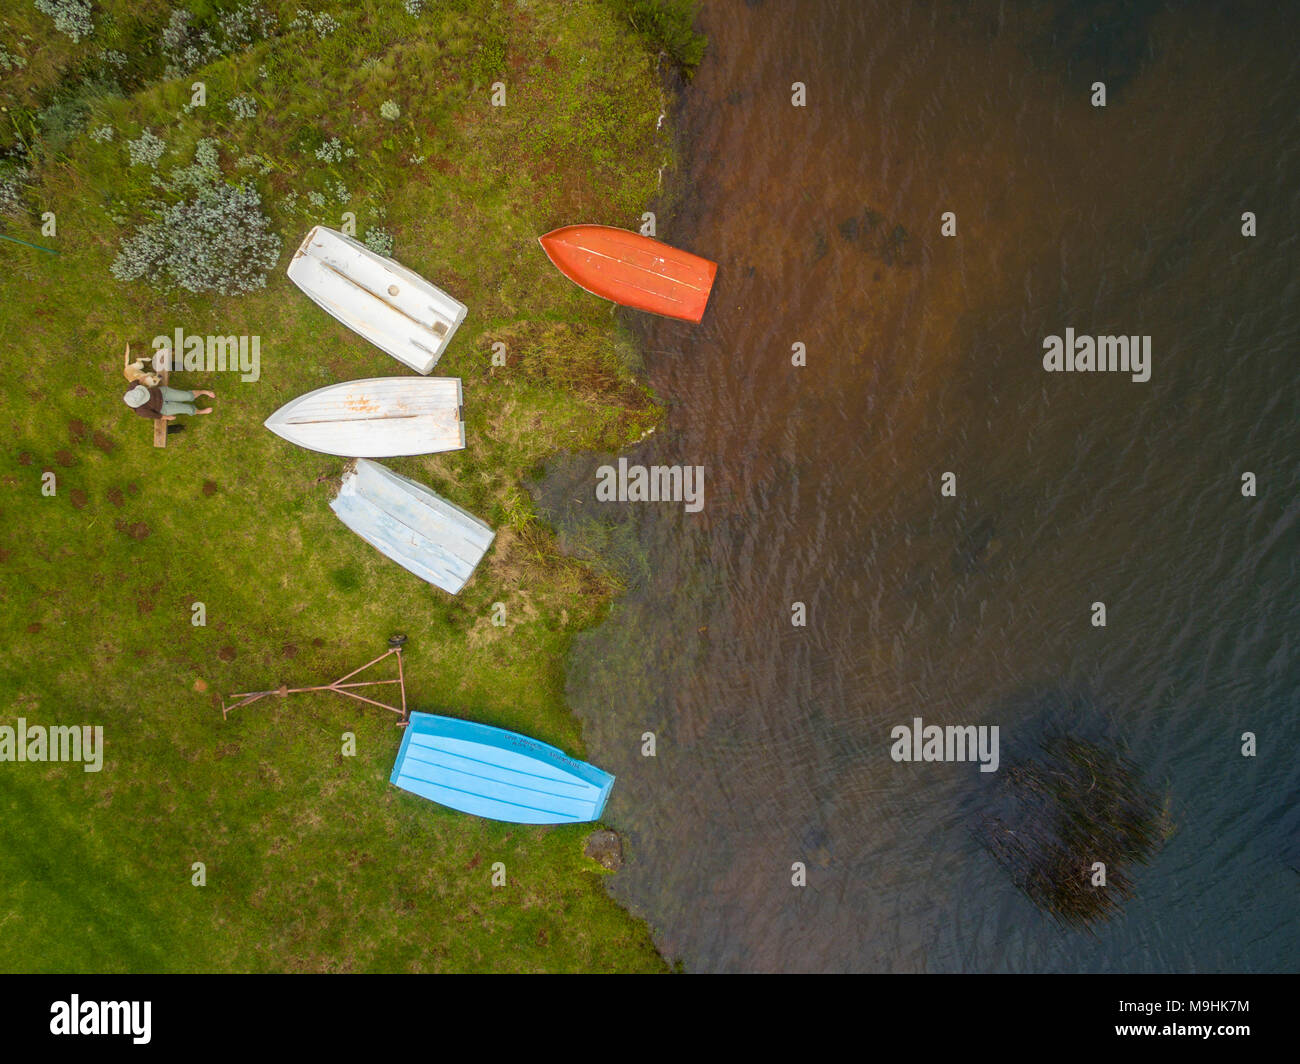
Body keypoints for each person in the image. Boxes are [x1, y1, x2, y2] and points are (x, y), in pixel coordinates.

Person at [123, 382, 215, 420]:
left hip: (162, 393)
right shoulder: (141, 411)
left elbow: (140, 379)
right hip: (163, 408)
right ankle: (200, 411)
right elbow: (156, 415)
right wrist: (167, 417)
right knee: (187, 409)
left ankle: (203, 392)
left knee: (187, 396)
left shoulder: (132, 387)